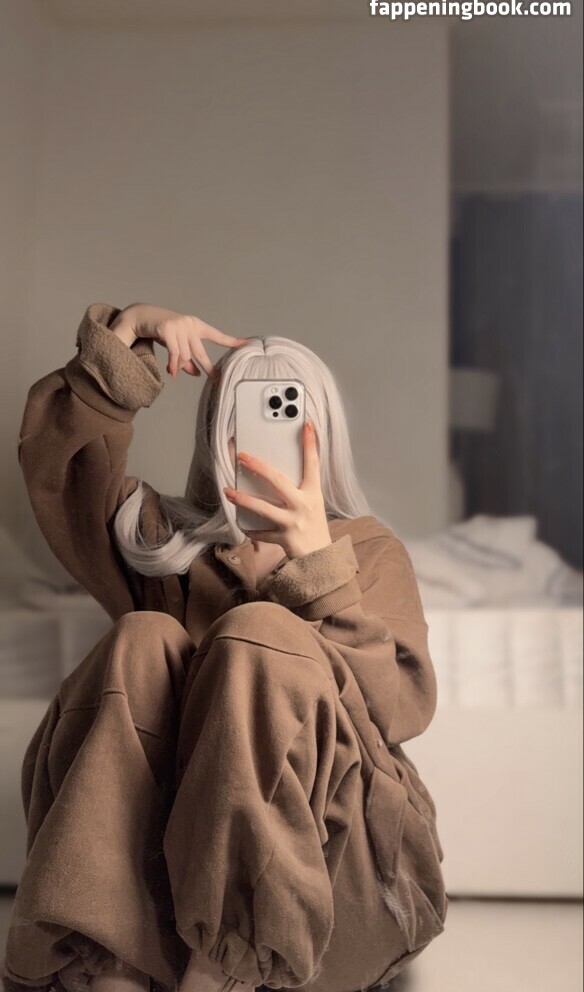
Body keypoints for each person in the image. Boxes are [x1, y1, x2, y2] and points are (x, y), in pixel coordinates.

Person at [2, 302, 448, 992]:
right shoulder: (162, 544)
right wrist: (127, 340)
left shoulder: (366, 551)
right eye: (243, 413)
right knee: (143, 636)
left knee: (259, 635)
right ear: (215, 429)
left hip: (335, 882)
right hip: (165, 894)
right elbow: (59, 476)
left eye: (286, 413)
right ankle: (111, 961)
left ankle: (225, 967)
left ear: (319, 432)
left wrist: (318, 568)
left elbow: (397, 710)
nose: (261, 434)